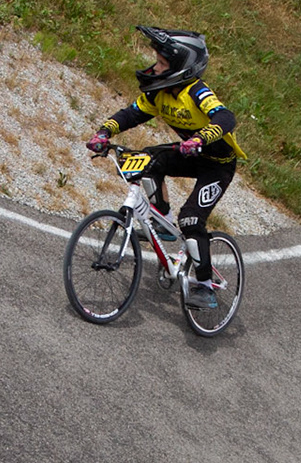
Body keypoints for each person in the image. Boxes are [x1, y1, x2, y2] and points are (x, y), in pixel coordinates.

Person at [86, 27, 244, 310]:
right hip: (191, 155)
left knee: (192, 220)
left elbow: (225, 117)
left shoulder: (196, 91)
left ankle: (205, 286)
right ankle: (163, 220)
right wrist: (104, 132)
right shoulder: (159, 93)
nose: (155, 68)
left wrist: (200, 138)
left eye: (161, 63)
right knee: (148, 159)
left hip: (217, 166)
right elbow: (131, 114)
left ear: (181, 68)